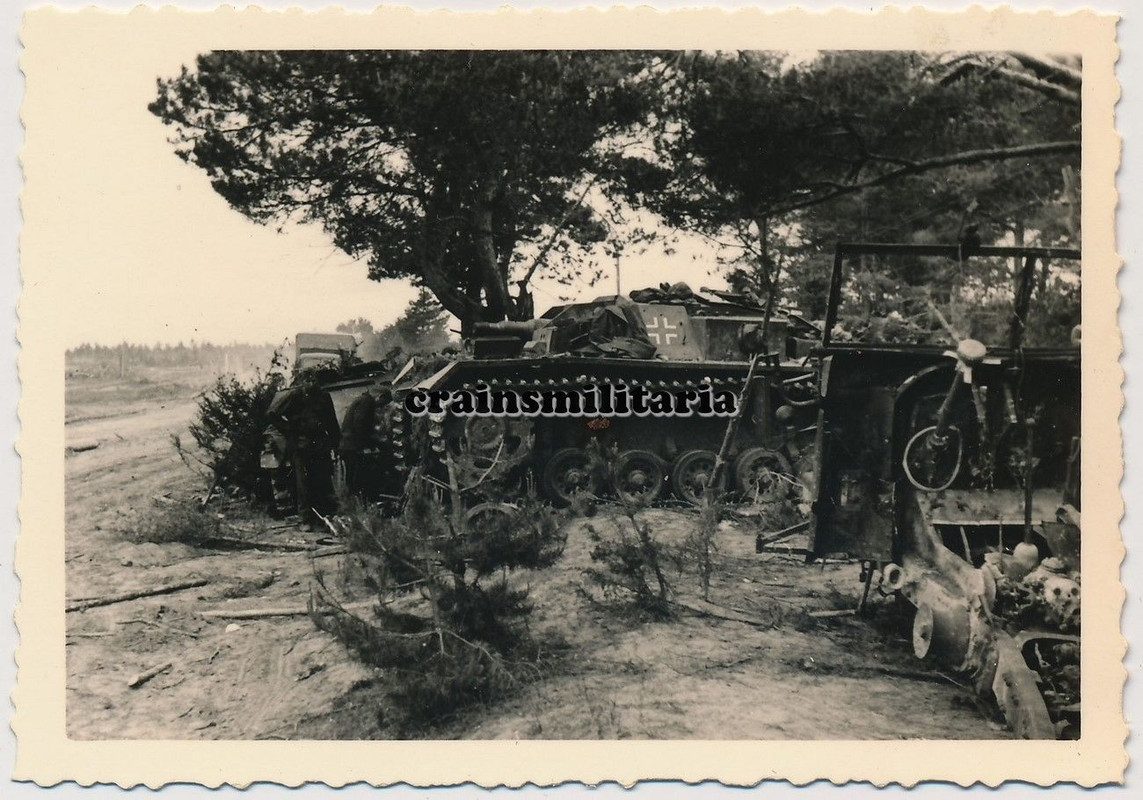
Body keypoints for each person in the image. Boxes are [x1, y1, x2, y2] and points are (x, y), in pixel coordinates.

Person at [265, 369, 340, 530]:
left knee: (322, 480)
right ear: (302, 382)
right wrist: (289, 429)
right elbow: (272, 414)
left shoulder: (324, 397)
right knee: (303, 483)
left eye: (313, 380)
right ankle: (305, 519)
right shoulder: (295, 396)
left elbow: (331, 422)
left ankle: (323, 518)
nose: (311, 383)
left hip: (320, 444)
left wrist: (336, 444)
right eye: (308, 380)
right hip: (300, 444)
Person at [339, 384, 393, 499]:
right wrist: (370, 444)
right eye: (383, 403)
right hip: (353, 445)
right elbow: (360, 425)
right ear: (380, 396)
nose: (381, 407)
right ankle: (355, 505)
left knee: (353, 479)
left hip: (349, 444)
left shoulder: (362, 400)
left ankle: (353, 504)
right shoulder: (367, 402)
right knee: (355, 479)